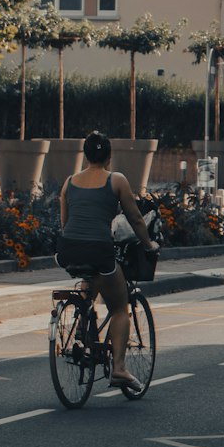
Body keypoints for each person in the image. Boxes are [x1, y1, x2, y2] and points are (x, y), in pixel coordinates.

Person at [57, 130, 159, 390]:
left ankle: (82, 320)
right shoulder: (116, 180)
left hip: (68, 249)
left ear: (86, 154)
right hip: (99, 249)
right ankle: (119, 369)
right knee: (119, 306)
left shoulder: (69, 181)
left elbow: (65, 221)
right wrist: (148, 244)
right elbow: (135, 218)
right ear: (109, 156)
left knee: (89, 279)